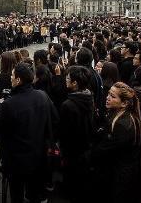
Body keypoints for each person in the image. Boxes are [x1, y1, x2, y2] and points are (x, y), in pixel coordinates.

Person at [0, 62, 57, 203]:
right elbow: (54, 120)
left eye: (12, 75)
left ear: (18, 80)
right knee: (34, 190)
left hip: (17, 159)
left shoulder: (10, 104)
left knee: (17, 192)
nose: (10, 78)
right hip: (39, 154)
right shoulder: (42, 95)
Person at [90, 82, 141, 203]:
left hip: (117, 176)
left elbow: (104, 150)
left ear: (124, 103)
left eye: (113, 96)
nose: (107, 98)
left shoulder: (122, 124)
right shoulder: (120, 115)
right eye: (108, 94)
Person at [59, 65, 95, 203]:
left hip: (73, 147)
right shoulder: (88, 95)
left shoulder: (68, 105)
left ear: (75, 83)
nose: (65, 80)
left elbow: (65, 131)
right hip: (85, 144)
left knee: (71, 173)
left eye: (68, 78)